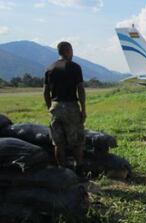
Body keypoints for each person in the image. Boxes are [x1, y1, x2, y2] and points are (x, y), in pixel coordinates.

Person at [43, 41, 86, 175]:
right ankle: (79, 170)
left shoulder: (49, 68)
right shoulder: (75, 67)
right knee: (77, 142)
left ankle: (62, 172)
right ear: (68, 51)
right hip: (71, 107)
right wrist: (83, 109)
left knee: (58, 143)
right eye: (71, 50)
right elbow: (80, 89)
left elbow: (45, 92)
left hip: (56, 107)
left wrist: (50, 107)